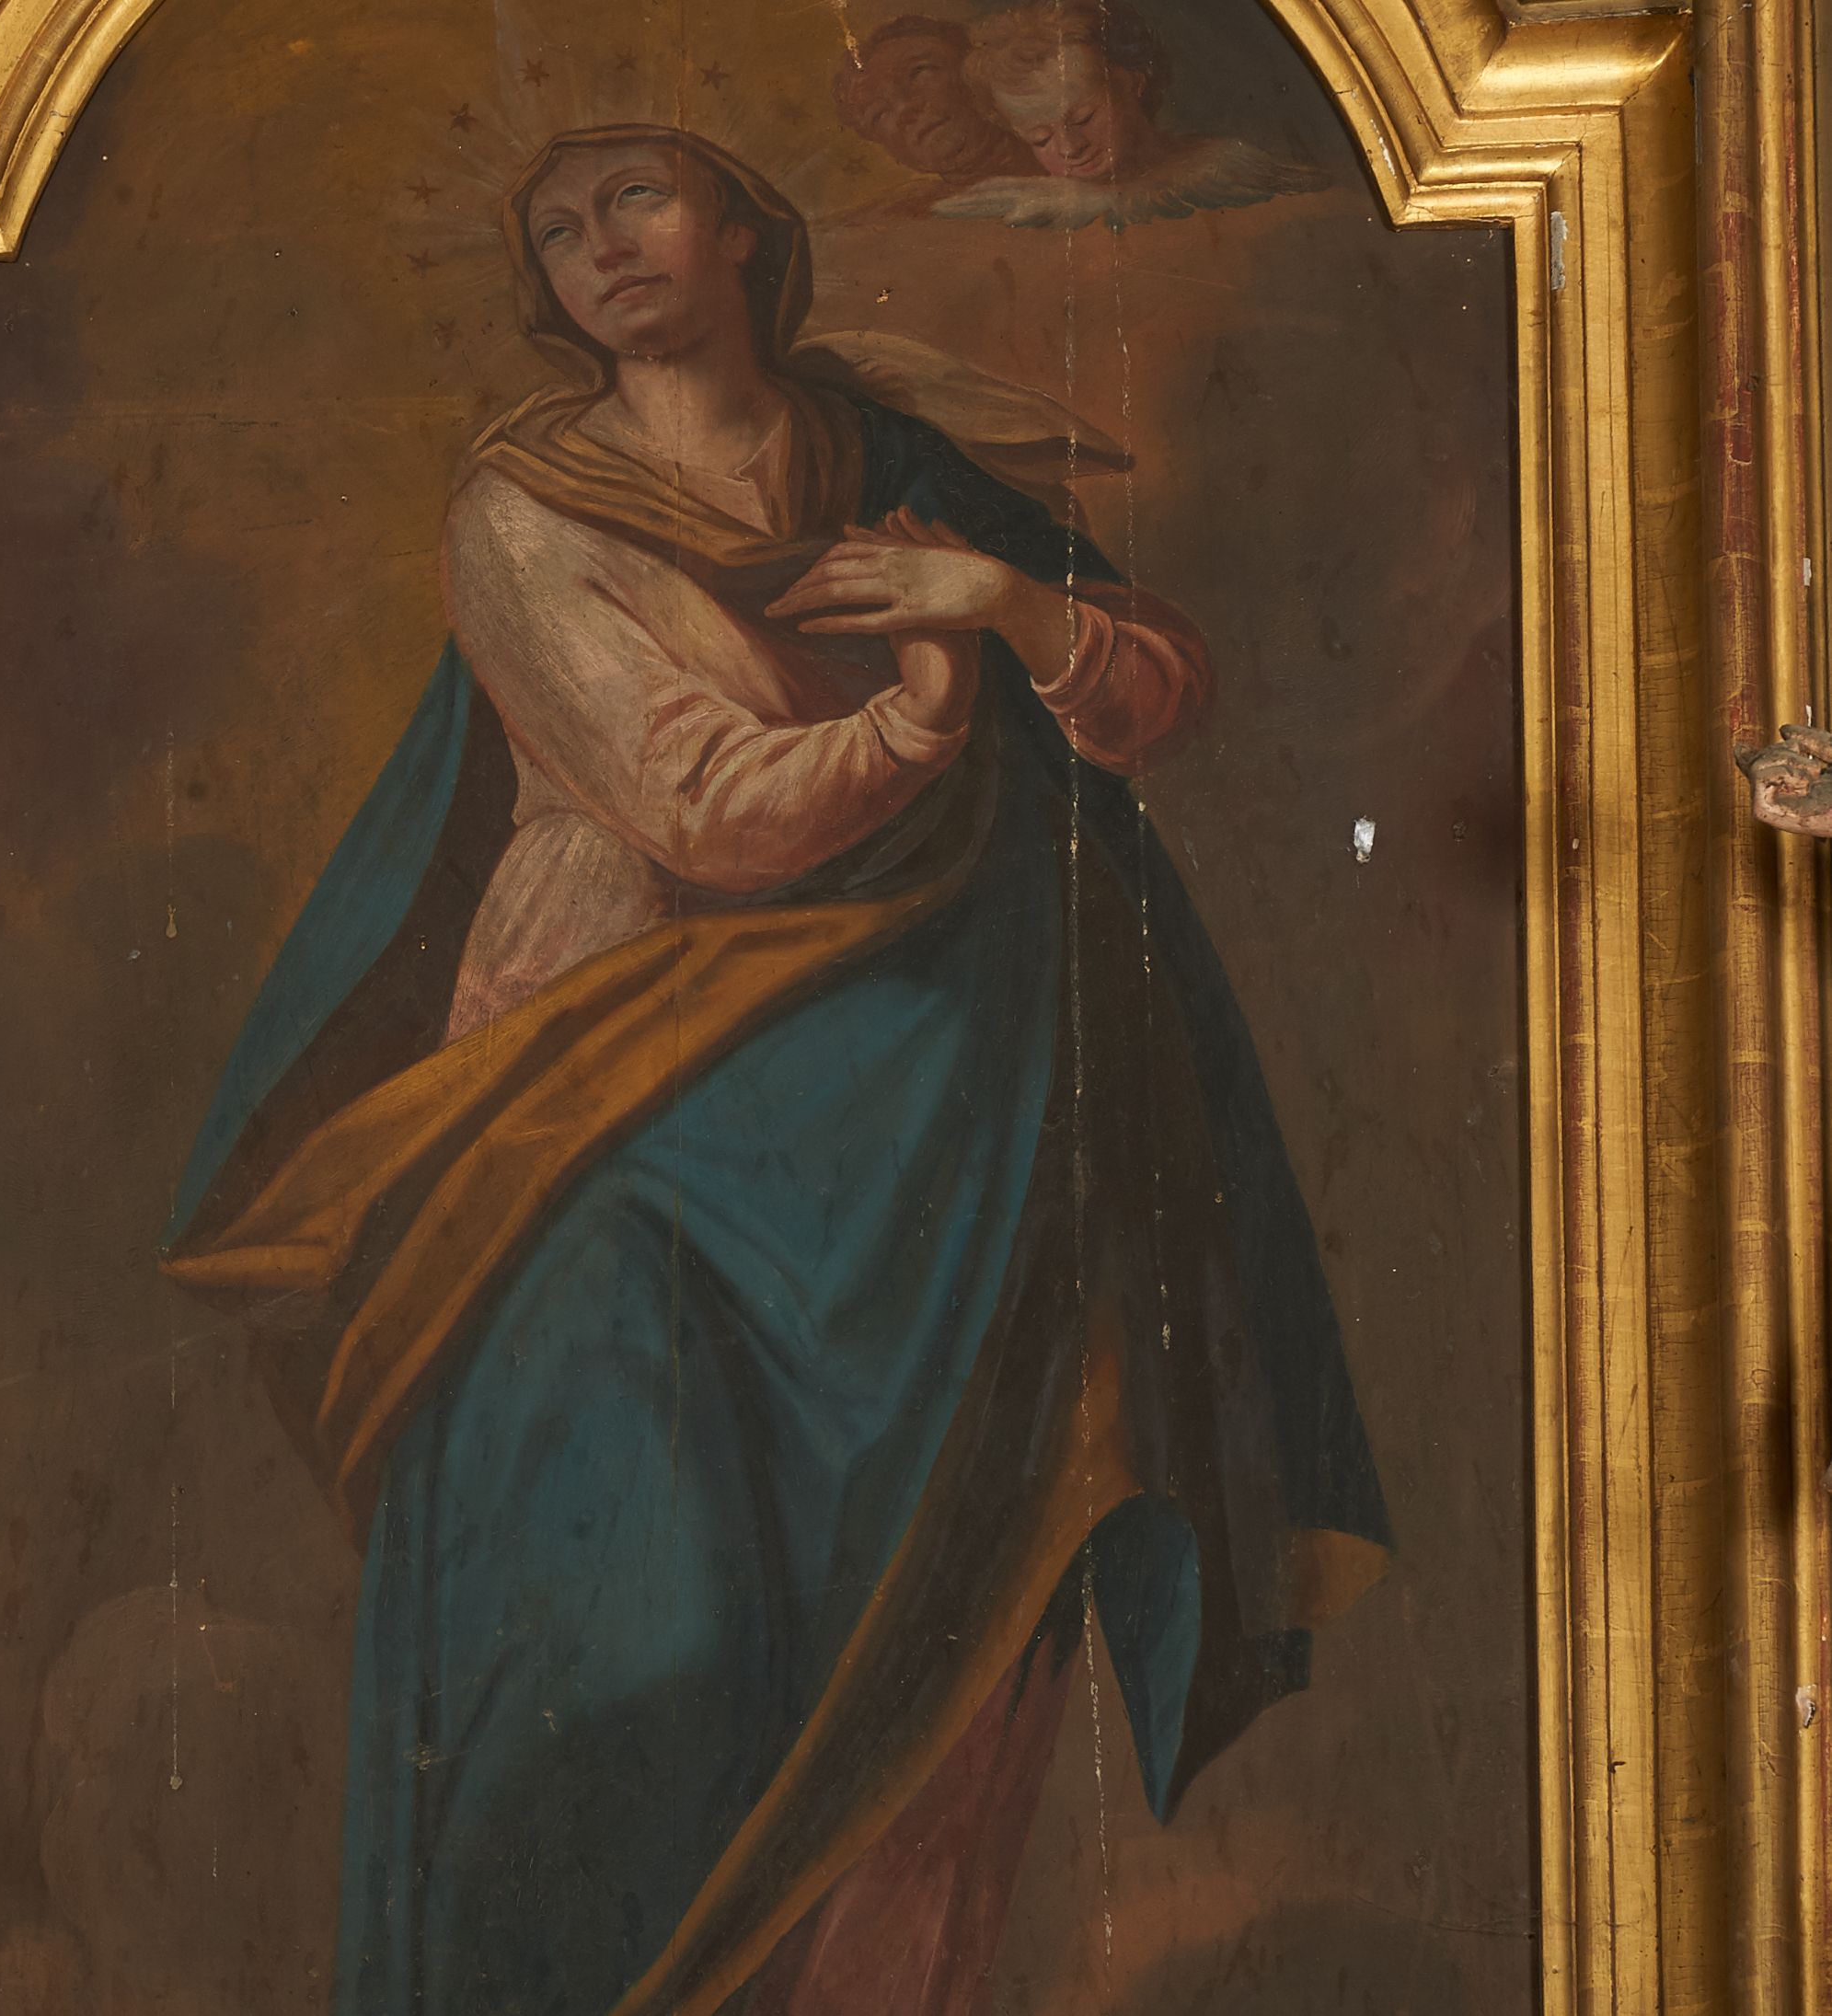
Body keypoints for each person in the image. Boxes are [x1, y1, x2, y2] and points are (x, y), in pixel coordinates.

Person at [162, 125, 1388, 2016]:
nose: (601, 247)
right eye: (558, 231)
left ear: (742, 231)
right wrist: (919, 722)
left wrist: (1005, 607)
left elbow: (1155, 690)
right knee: (627, 1587)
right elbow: (699, 803)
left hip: (935, 1073)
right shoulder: (522, 514)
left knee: (949, 1569)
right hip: (619, 1067)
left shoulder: (888, 460)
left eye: (636, 201)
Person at [940, 1, 1330, 231]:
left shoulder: (1223, 166)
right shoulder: (1031, 200)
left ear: (1132, 83)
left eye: (1084, 117)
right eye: (1040, 139)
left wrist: (1108, 200)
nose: (1071, 147)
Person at [832, 16, 1033, 181]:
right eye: (879, 114)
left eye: (918, 73)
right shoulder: (904, 215)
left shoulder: (1052, 153)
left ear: (974, 64)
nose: (906, 110)